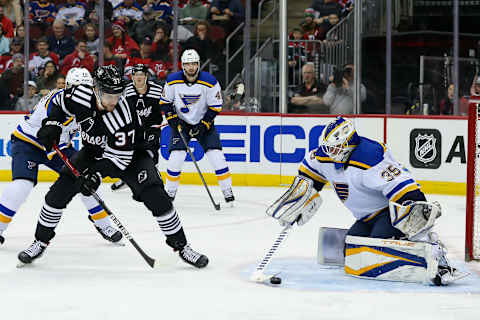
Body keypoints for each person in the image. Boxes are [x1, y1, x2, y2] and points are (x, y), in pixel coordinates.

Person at [17, 65, 208, 269]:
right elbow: (58, 102)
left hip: (132, 154)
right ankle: (40, 241)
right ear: (96, 90)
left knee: (156, 196)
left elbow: (120, 160)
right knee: (57, 194)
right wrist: (53, 123)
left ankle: (182, 246)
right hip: (93, 151)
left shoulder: (122, 115)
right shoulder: (80, 93)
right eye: (108, 95)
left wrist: (95, 177)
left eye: (117, 94)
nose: (113, 100)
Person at [267, 116, 465, 286]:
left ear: (349, 143)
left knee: (375, 251)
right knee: (352, 252)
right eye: (328, 148)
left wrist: (415, 217)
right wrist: (297, 202)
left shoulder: (370, 157)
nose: (330, 153)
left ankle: (433, 255)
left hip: (388, 212)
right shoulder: (323, 156)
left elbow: (405, 188)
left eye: (335, 148)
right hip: (365, 217)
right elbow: (309, 178)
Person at [0, 68, 122, 246]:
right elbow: (50, 139)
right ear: (68, 87)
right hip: (28, 143)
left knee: (88, 179)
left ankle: (103, 224)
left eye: (86, 88)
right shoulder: (57, 102)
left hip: (58, 145)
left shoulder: (90, 104)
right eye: (77, 88)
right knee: (22, 185)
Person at [161, 49, 235, 206]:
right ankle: (169, 192)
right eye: (188, 64)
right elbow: (165, 102)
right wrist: (172, 118)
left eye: (194, 64)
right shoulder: (172, 81)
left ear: (198, 65)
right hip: (181, 124)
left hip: (204, 125)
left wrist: (204, 125)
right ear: (183, 65)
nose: (191, 67)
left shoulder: (209, 81)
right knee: (176, 157)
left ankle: (227, 190)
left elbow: (215, 107)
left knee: (217, 157)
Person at [111, 63, 164, 191]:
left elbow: (168, 104)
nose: (138, 77)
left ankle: (155, 179)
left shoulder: (158, 90)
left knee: (151, 152)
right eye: (135, 75)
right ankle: (126, 178)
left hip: (153, 127)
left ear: (146, 76)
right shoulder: (127, 90)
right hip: (134, 128)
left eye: (141, 74)